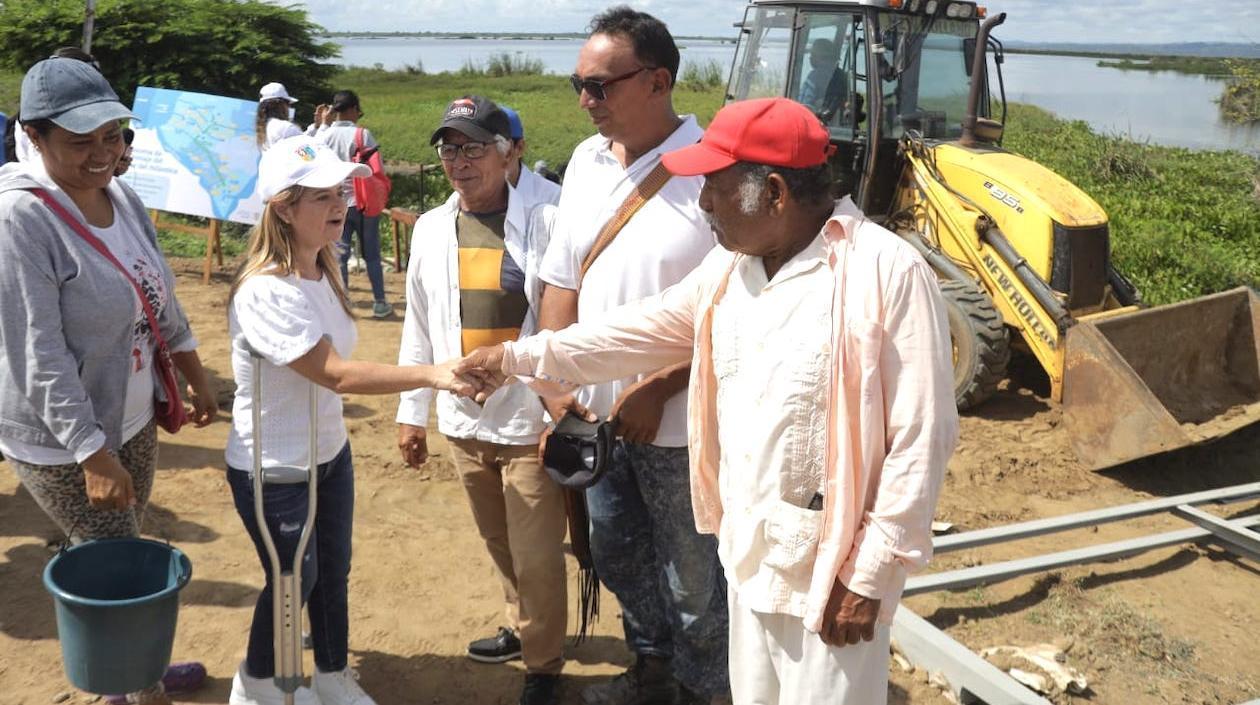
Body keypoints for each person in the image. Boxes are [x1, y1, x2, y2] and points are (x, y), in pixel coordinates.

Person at [458, 97, 959, 705]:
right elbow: (632, 332)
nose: (703, 204)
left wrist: (870, 575)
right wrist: (514, 358)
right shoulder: (730, 270)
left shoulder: (885, 272)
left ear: (773, 193)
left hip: (828, 576)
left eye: (715, 188)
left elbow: (921, 437)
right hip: (748, 555)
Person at [225, 135, 487, 705]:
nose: (340, 204)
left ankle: (331, 673)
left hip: (329, 454)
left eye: (340, 192)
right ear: (283, 208)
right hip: (275, 466)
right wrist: (433, 374)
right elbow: (336, 375)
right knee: (294, 580)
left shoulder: (324, 268)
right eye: (321, 196)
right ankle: (259, 685)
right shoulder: (265, 290)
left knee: (331, 571)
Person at [0, 57, 218, 705]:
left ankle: (137, 672)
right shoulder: (20, 220)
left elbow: (159, 292)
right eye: (80, 141)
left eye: (112, 135)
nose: (102, 154)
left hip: (132, 410)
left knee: (122, 543)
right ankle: (130, 685)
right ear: (34, 137)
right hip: (62, 437)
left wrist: (194, 374)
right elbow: (38, 353)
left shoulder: (121, 196)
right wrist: (91, 453)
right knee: (116, 560)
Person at [537, 7, 729, 704]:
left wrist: (664, 384)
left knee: (693, 575)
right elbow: (562, 280)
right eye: (578, 85)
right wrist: (554, 384)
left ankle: (705, 687)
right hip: (596, 419)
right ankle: (651, 670)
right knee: (616, 551)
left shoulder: (711, 169)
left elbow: (738, 308)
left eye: (600, 85)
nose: (585, 101)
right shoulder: (586, 163)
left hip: (682, 425)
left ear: (658, 81)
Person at [396, 95, 566, 705]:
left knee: (537, 552)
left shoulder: (549, 217)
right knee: (498, 541)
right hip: (463, 418)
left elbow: (566, 324)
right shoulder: (432, 227)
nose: (458, 162)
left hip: (529, 418)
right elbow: (419, 322)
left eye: (472, 148)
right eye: (449, 149)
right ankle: (520, 625)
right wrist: (411, 413)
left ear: (508, 152)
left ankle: (544, 666)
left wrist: (559, 408)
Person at [315, 90, 390, 318]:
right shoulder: (362, 135)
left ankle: (343, 302)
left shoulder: (323, 137)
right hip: (363, 203)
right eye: (358, 111)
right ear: (353, 109)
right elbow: (377, 169)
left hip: (335, 205)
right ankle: (380, 303)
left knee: (340, 255)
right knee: (372, 255)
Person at [255, 82, 303, 151]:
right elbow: (309, 154)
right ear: (280, 104)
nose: (289, 107)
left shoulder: (263, 127)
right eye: (287, 103)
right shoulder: (287, 128)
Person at [798, 38, 840, 110]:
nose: (810, 58)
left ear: (821, 56)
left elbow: (804, 105)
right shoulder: (841, 76)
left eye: (813, 54)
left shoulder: (814, 77)